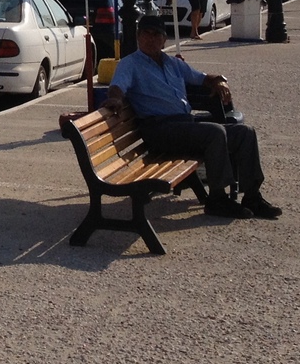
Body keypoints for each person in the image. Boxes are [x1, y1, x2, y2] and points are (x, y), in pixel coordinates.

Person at [102, 15, 280, 220]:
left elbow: (201, 77)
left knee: (244, 133)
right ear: (138, 37)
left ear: (164, 39)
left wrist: (219, 81)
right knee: (214, 132)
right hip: (159, 131)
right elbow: (117, 87)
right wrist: (115, 99)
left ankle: (252, 197)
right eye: (145, 34)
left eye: (156, 34)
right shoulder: (130, 64)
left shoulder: (171, 63)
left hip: (182, 126)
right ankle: (217, 199)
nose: (150, 39)